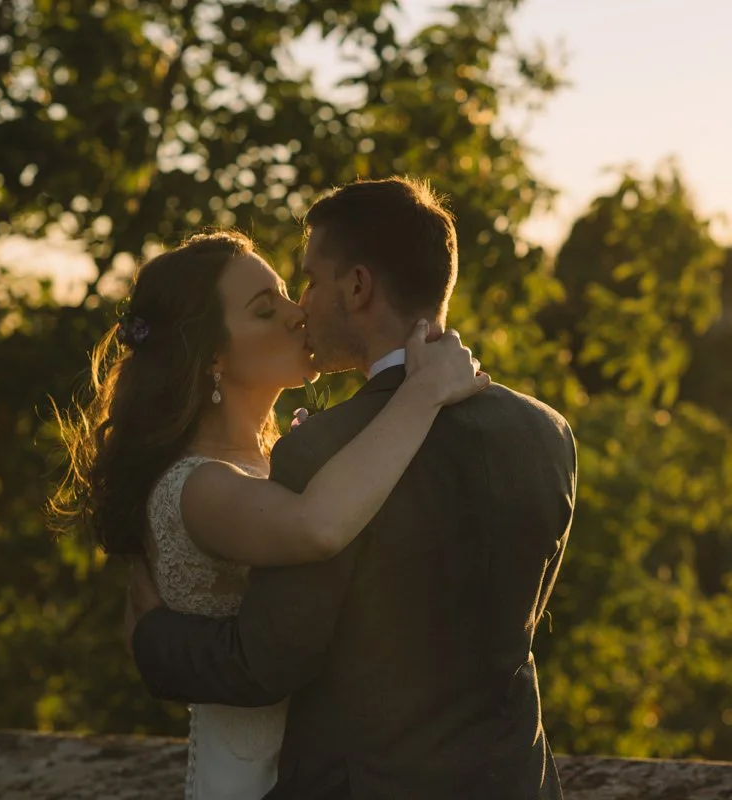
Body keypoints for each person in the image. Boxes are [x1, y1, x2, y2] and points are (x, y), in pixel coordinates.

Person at [127, 177, 576, 799]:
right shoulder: (547, 432)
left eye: (307, 282)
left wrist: (149, 636)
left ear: (358, 286)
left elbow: (269, 661)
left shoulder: (320, 452)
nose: (300, 308)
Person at [52, 227, 487, 800]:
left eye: (287, 292)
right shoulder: (196, 485)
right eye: (265, 311)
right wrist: (422, 392)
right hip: (255, 780)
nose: (297, 313)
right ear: (212, 354)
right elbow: (317, 527)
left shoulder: (269, 459)